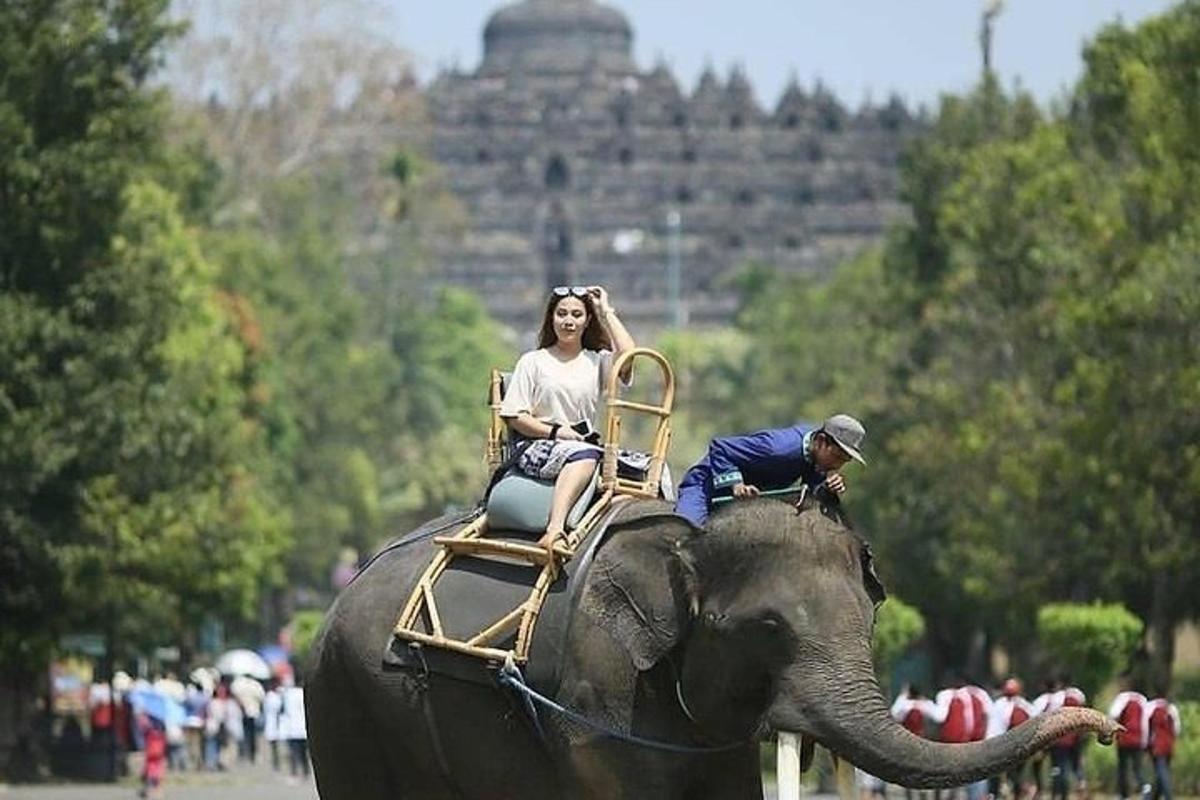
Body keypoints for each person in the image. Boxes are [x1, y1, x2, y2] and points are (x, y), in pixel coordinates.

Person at [498, 285, 634, 551]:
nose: (568, 321)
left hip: (587, 445)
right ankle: (555, 529)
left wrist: (605, 311)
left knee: (648, 472)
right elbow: (514, 415)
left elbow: (628, 357)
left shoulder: (597, 362)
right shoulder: (533, 361)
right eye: (561, 314)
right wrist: (556, 432)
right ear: (551, 318)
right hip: (538, 445)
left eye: (576, 315)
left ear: (587, 321)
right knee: (583, 455)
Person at [675, 413, 867, 527]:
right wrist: (736, 484)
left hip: (747, 503)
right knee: (681, 534)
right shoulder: (777, 448)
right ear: (821, 441)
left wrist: (827, 487)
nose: (837, 466)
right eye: (836, 457)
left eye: (844, 461)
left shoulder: (814, 457)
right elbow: (720, 447)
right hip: (705, 486)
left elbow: (812, 489)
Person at [1108, 674, 1150, 800]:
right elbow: (1145, 721)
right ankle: (1145, 787)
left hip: (1124, 737)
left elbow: (1113, 714)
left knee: (1123, 767)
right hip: (1138, 738)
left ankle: (1123, 795)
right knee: (1137, 767)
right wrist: (1145, 740)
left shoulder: (1122, 698)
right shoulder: (1142, 700)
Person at [1145, 691, 1180, 800]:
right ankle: (1152, 797)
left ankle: (1168, 796)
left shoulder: (1150, 708)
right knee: (1160, 771)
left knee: (1161, 771)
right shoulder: (1171, 709)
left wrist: (1146, 743)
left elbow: (1145, 727)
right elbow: (1177, 729)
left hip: (1157, 745)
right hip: (1169, 744)